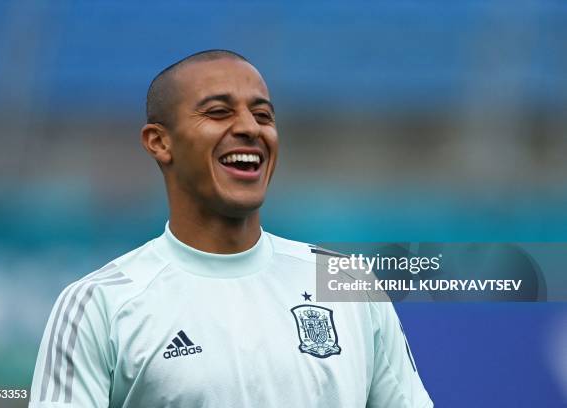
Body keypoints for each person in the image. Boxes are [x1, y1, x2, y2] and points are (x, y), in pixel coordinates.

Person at [29, 50, 433, 408]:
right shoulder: (100, 304)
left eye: (263, 115)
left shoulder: (346, 283)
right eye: (219, 112)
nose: (250, 128)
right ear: (159, 142)